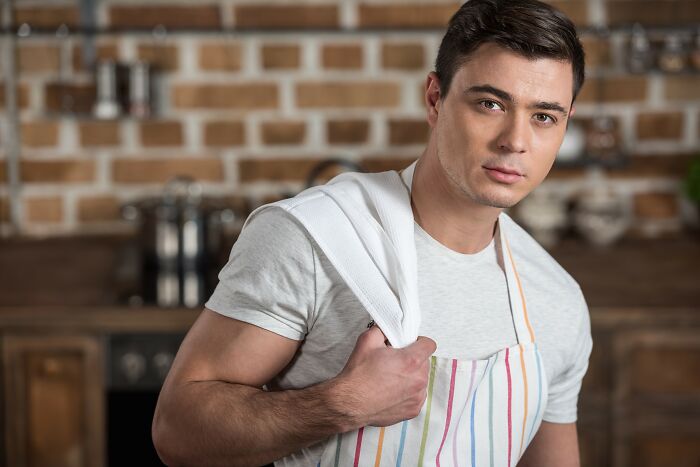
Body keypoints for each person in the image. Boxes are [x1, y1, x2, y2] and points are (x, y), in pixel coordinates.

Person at [152, 0, 592, 465]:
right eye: (490, 103)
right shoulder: (314, 239)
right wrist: (341, 404)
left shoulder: (557, 301)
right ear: (434, 98)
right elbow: (176, 430)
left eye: (544, 116)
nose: (515, 140)